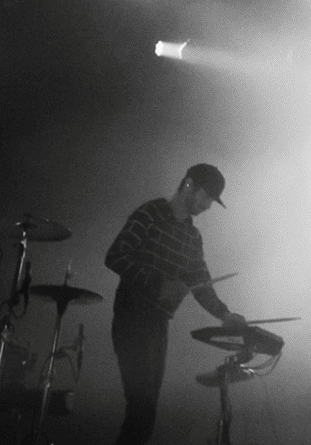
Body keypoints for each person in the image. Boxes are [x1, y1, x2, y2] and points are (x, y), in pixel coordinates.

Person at [105, 163, 246, 445]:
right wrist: (158, 284)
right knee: (141, 408)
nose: (207, 206)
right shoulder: (151, 213)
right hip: (132, 316)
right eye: (206, 197)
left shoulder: (192, 236)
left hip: (158, 324)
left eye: (211, 201)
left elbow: (201, 284)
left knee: (145, 413)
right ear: (188, 185)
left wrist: (225, 314)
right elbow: (115, 256)